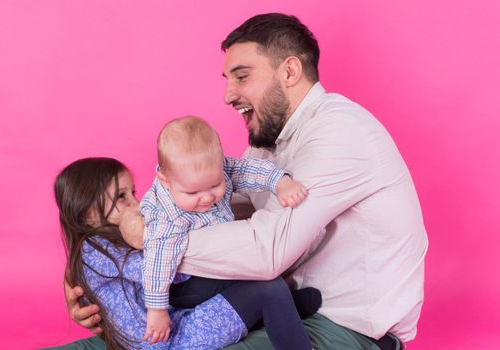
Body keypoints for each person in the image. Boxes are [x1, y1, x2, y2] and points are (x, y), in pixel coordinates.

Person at [65, 12, 428, 350]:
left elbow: (264, 251)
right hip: (273, 306)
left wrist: (149, 241)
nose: (228, 95)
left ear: (289, 72)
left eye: (242, 76)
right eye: (228, 80)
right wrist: (100, 284)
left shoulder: (342, 133)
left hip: (344, 329)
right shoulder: (267, 147)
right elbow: (212, 216)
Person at [53, 157, 319, 350]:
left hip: (174, 320)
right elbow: (157, 271)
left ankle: (280, 307)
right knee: (265, 286)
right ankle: (280, 306)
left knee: (251, 278)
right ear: (88, 214)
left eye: (132, 192)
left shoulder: (102, 246)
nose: (136, 203)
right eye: (122, 197)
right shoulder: (94, 249)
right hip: (171, 342)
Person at [133, 116, 315, 346]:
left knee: (266, 261)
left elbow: (247, 170)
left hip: (219, 261)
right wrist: (157, 309)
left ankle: (282, 306)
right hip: (186, 284)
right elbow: (157, 262)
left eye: (214, 185)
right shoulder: (166, 217)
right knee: (264, 276)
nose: (207, 197)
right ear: (166, 181)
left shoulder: (219, 170)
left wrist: (280, 182)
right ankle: (284, 311)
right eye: (193, 193)